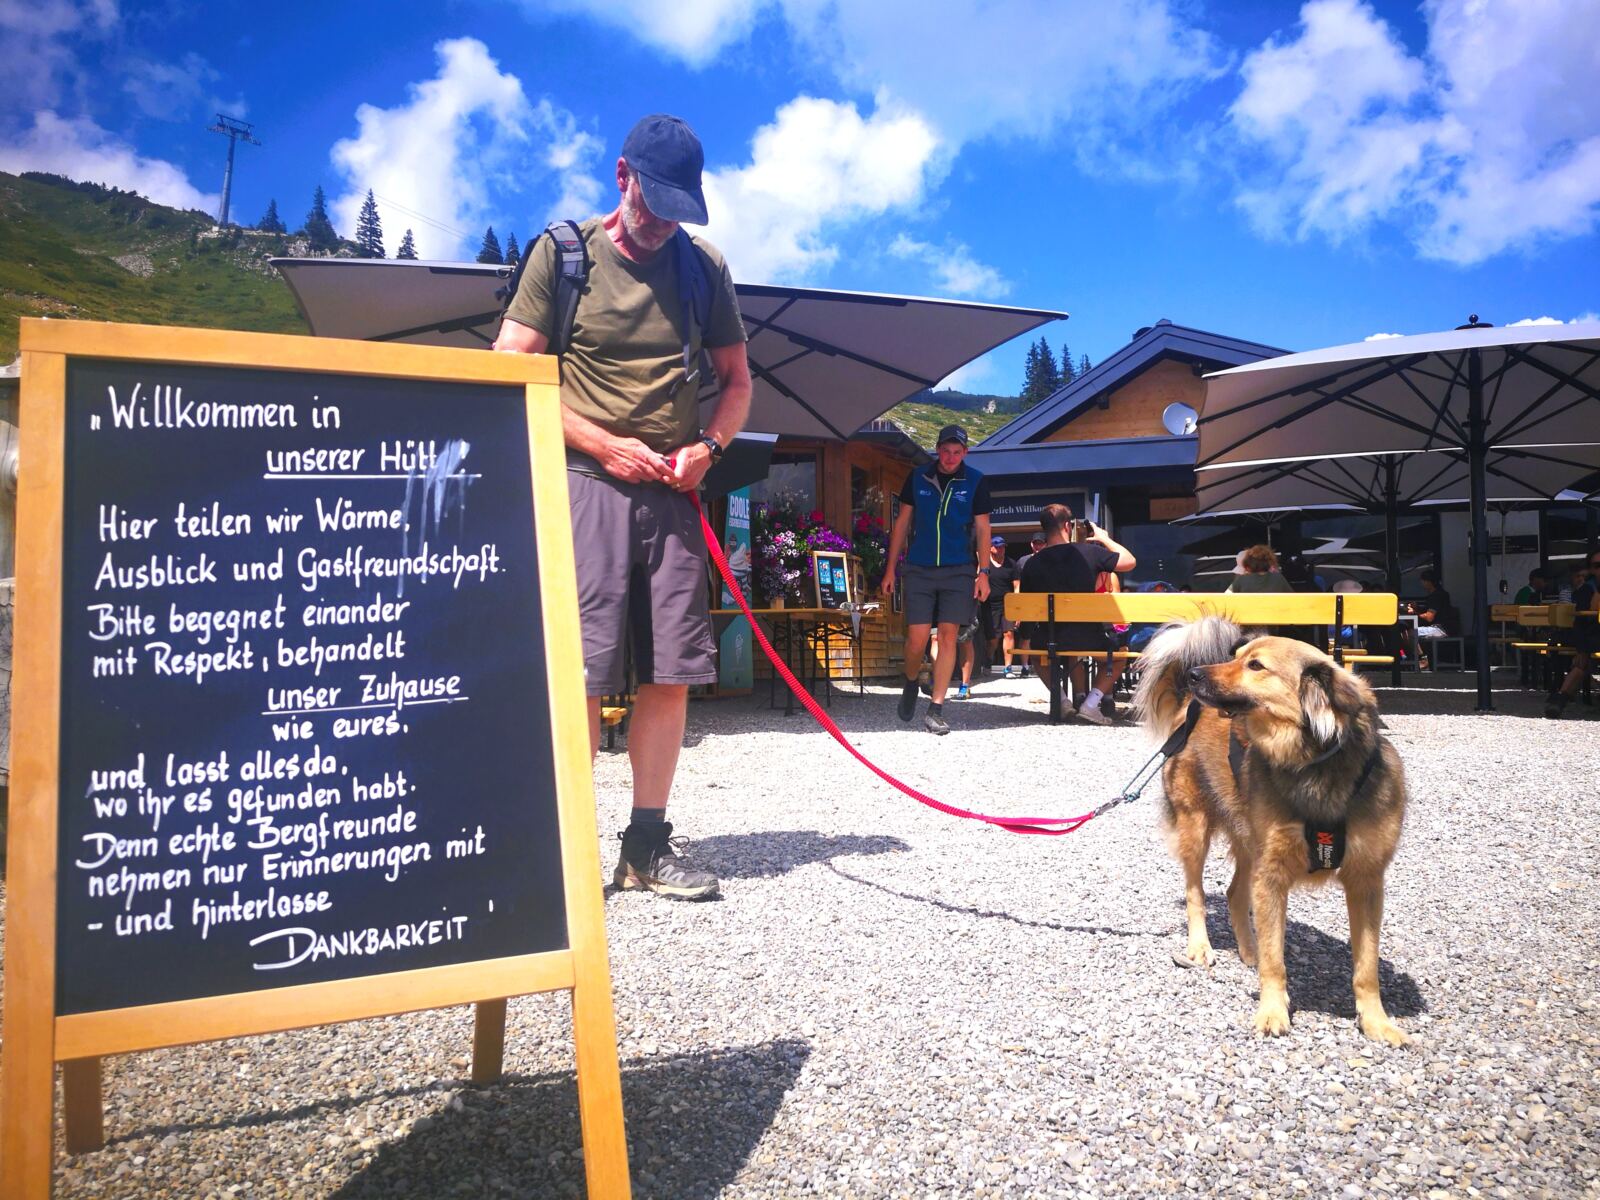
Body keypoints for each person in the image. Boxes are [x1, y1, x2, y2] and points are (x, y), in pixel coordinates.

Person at [494, 114, 752, 900]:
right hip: (585, 482)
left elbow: (738, 382)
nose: (664, 221)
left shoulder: (704, 267)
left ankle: (645, 847)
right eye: (654, 202)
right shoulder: (564, 253)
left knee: (671, 673)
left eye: (679, 208)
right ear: (622, 176)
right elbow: (510, 368)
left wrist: (708, 448)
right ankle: (564, 855)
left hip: (675, 495)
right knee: (581, 672)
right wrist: (602, 445)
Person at [880, 425, 992, 734]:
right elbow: (902, 523)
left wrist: (984, 572)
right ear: (938, 449)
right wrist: (890, 569)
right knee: (916, 639)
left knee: (947, 636)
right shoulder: (918, 477)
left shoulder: (976, 481)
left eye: (957, 452)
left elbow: (984, 529)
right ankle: (911, 680)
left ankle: (936, 709)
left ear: (965, 453)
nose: (951, 457)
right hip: (919, 567)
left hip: (959, 569)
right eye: (946, 451)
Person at [1018, 503, 1136, 724]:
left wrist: (1026, 636)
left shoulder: (1032, 564)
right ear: (1067, 526)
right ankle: (1090, 705)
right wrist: (1104, 538)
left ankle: (1063, 701)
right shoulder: (1089, 553)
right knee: (1119, 657)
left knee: (1037, 655)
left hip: (1049, 639)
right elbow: (1129, 561)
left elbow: (1026, 609)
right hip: (1089, 637)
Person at [1546, 552, 1600, 718]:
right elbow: (1581, 621)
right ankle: (1560, 699)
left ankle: (1560, 699)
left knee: (1582, 662)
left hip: (1590, 638)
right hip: (1592, 637)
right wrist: (1581, 649)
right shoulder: (1587, 590)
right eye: (1597, 566)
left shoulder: (1588, 588)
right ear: (1591, 570)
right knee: (1582, 661)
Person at [981, 536, 1021, 678]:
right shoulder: (985, 565)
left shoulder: (1012, 564)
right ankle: (988, 661)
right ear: (991, 548)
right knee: (993, 639)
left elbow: (1017, 587)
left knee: (1009, 633)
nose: (1001, 549)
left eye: (1003, 547)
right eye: (998, 547)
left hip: (1008, 604)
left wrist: (1017, 609)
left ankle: (1008, 668)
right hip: (990, 606)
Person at [1226, 544, 1295, 593]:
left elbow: (1224, 598)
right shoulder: (1278, 578)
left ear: (1248, 562)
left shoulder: (1241, 579)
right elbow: (1293, 598)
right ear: (1270, 561)